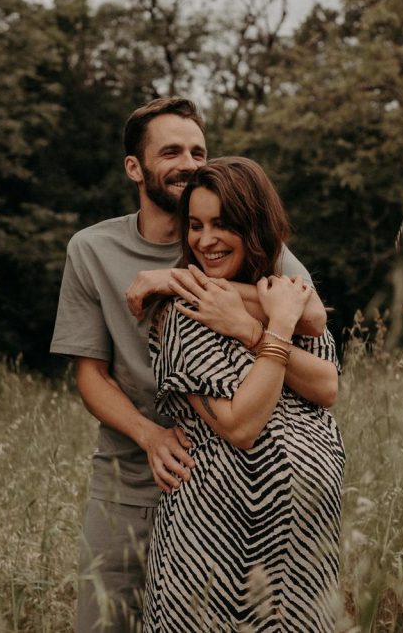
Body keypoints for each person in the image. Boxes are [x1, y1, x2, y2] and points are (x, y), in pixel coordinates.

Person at [49, 98, 326, 633]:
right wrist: (150, 437)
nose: (189, 161)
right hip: (128, 480)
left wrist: (177, 280)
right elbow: (90, 376)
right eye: (171, 150)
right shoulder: (91, 249)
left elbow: (309, 312)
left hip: (225, 481)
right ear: (135, 167)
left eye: (199, 150)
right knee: (105, 622)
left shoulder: (229, 236)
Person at [143, 157, 345, 632]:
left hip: (303, 556)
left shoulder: (286, 295)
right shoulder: (184, 314)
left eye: (222, 223)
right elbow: (240, 425)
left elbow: (327, 386)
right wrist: (275, 328)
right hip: (217, 549)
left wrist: (252, 330)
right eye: (195, 225)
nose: (205, 240)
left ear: (254, 224)